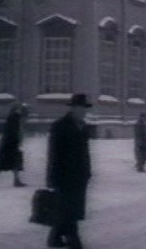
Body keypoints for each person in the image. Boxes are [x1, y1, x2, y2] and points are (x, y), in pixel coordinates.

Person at [45, 93, 93, 249]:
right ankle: (73, 240)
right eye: (80, 108)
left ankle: (55, 238)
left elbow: (85, 152)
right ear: (73, 108)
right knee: (68, 208)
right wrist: (52, 177)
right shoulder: (60, 126)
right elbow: (54, 153)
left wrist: (88, 171)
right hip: (64, 175)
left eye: (85, 108)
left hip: (80, 175)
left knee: (72, 208)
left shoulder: (83, 127)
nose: (83, 111)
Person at [0, 103, 27, 187]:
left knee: (5, 162)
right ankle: (15, 181)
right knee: (14, 161)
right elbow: (17, 130)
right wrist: (18, 140)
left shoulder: (12, 117)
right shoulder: (16, 118)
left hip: (8, 142)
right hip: (11, 142)